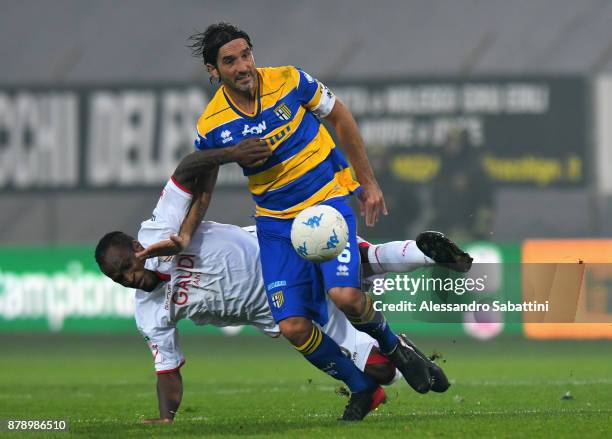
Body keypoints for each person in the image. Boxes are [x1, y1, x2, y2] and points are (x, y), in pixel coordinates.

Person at [147, 22, 474, 420]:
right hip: (275, 224)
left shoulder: (290, 80)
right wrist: (185, 232)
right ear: (214, 71)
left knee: (345, 296)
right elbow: (205, 184)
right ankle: (363, 390)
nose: (243, 66)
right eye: (230, 61)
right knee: (294, 328)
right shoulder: (213, 124)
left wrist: (368, 183)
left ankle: (394, 346)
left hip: (326, 202)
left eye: (246, 54)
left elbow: (341, 118)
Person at [96, 172, 468, 423]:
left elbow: (191, 169)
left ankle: (426, 255)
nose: (129, 278)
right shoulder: (149, 313)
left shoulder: (160, 228)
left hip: (281, 251)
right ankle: (395, 350)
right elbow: (168, 371)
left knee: (355, 266)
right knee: (382, 371)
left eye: (127, 266)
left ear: (136, 246)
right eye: (119, 278)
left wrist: (219, 148)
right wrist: (165, 418)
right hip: (280, 309)